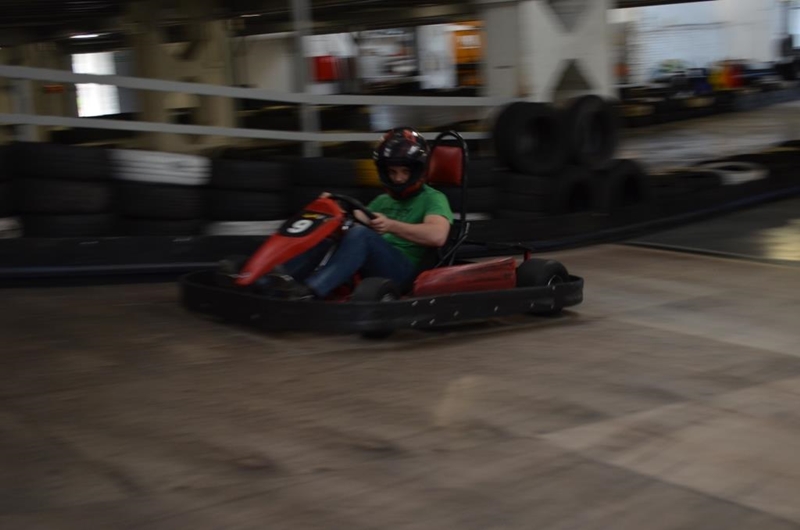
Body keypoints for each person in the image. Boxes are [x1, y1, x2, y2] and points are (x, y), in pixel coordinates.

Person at [271, 127, 453, 300]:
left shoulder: (433, 198)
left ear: (418, 171)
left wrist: (391, 225)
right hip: (375, 266)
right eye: (392, 172)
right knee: (329, 233)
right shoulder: (383, 200)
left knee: (361, 235)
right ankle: (280, 281)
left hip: (405, 272)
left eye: (405, 172)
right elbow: (359, 218)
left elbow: (437, 236)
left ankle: (311, 290)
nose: (398, 178)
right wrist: (334, 207)